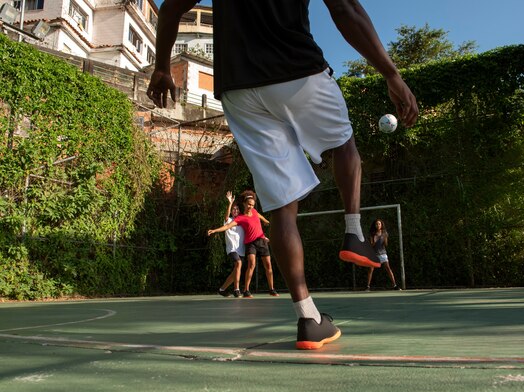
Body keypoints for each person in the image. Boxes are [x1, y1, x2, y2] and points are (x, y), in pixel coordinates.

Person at [148, 0, 419, 350]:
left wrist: (162, 67)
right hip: (297, 69)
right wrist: (391, 74)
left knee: (281, 205)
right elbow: (346, 10)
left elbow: (170, 7)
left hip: (239, 87)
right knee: (343, 144)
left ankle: (308, 317)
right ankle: (353, 232)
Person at [208, 190, 279, 298]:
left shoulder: (254, 212)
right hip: (248, 245)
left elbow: (260, 217)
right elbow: (227, 225)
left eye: (252, 205)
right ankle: (244, 290)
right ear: (245, 204)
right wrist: (214, 230)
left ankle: (271, 289)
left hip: (260, 242)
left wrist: (265, 221)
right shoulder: (239, 218)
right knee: (249, 265)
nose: (251, 206)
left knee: (267, 265)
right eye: (249, 204)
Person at [211, 191, 245, 298]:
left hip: (241, 249)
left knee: (235, 271)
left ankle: (222, 289)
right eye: (233, 209)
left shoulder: (242, 221)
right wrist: (230, 203)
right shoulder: (229, 220)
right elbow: (226, 216)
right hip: (232, 249)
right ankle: (237, 290)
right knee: (238, 263)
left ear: (240, 211)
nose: (235, 210)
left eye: (237, 209)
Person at [365, 219, 401, 291]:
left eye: (379, 224)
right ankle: (367, 287)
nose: (378, 225)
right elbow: (371, 245)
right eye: (376, 224)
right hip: (374, 254)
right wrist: (375, 240)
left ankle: (395, 285)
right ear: (375, 226)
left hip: (382, 254)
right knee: (370, 270)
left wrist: (383, 240)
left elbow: (386, 244)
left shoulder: (384, 233)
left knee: (388, 269)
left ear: (381, 225)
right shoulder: (372, 234)